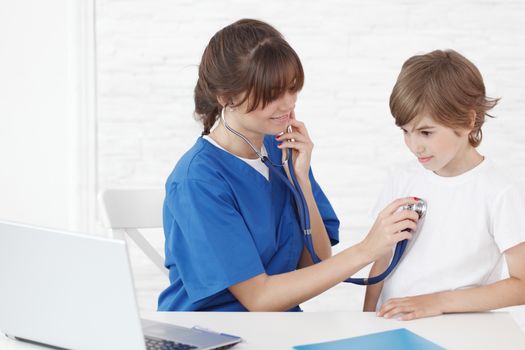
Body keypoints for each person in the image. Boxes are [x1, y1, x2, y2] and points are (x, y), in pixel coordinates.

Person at [158, 18, 419, 312]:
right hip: (214, 330)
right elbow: (259, 298)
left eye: (292, 88)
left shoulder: (279, 149)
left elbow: (317, 260)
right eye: (272, 95)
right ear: (226, 98)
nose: (288, 104)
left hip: (278, 328)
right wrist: (366, 250)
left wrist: (302, 181)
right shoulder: (198, 180)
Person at [363, 49, 525, 320]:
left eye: (426, 132)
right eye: (405, 131)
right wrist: (366, 319)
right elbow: (382, 258)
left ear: (468, 121)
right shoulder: (401, 178)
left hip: (459, 332)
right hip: (393, 326)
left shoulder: (499, 191)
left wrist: (436, 302)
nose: (414, 145)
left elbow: (522, 284)